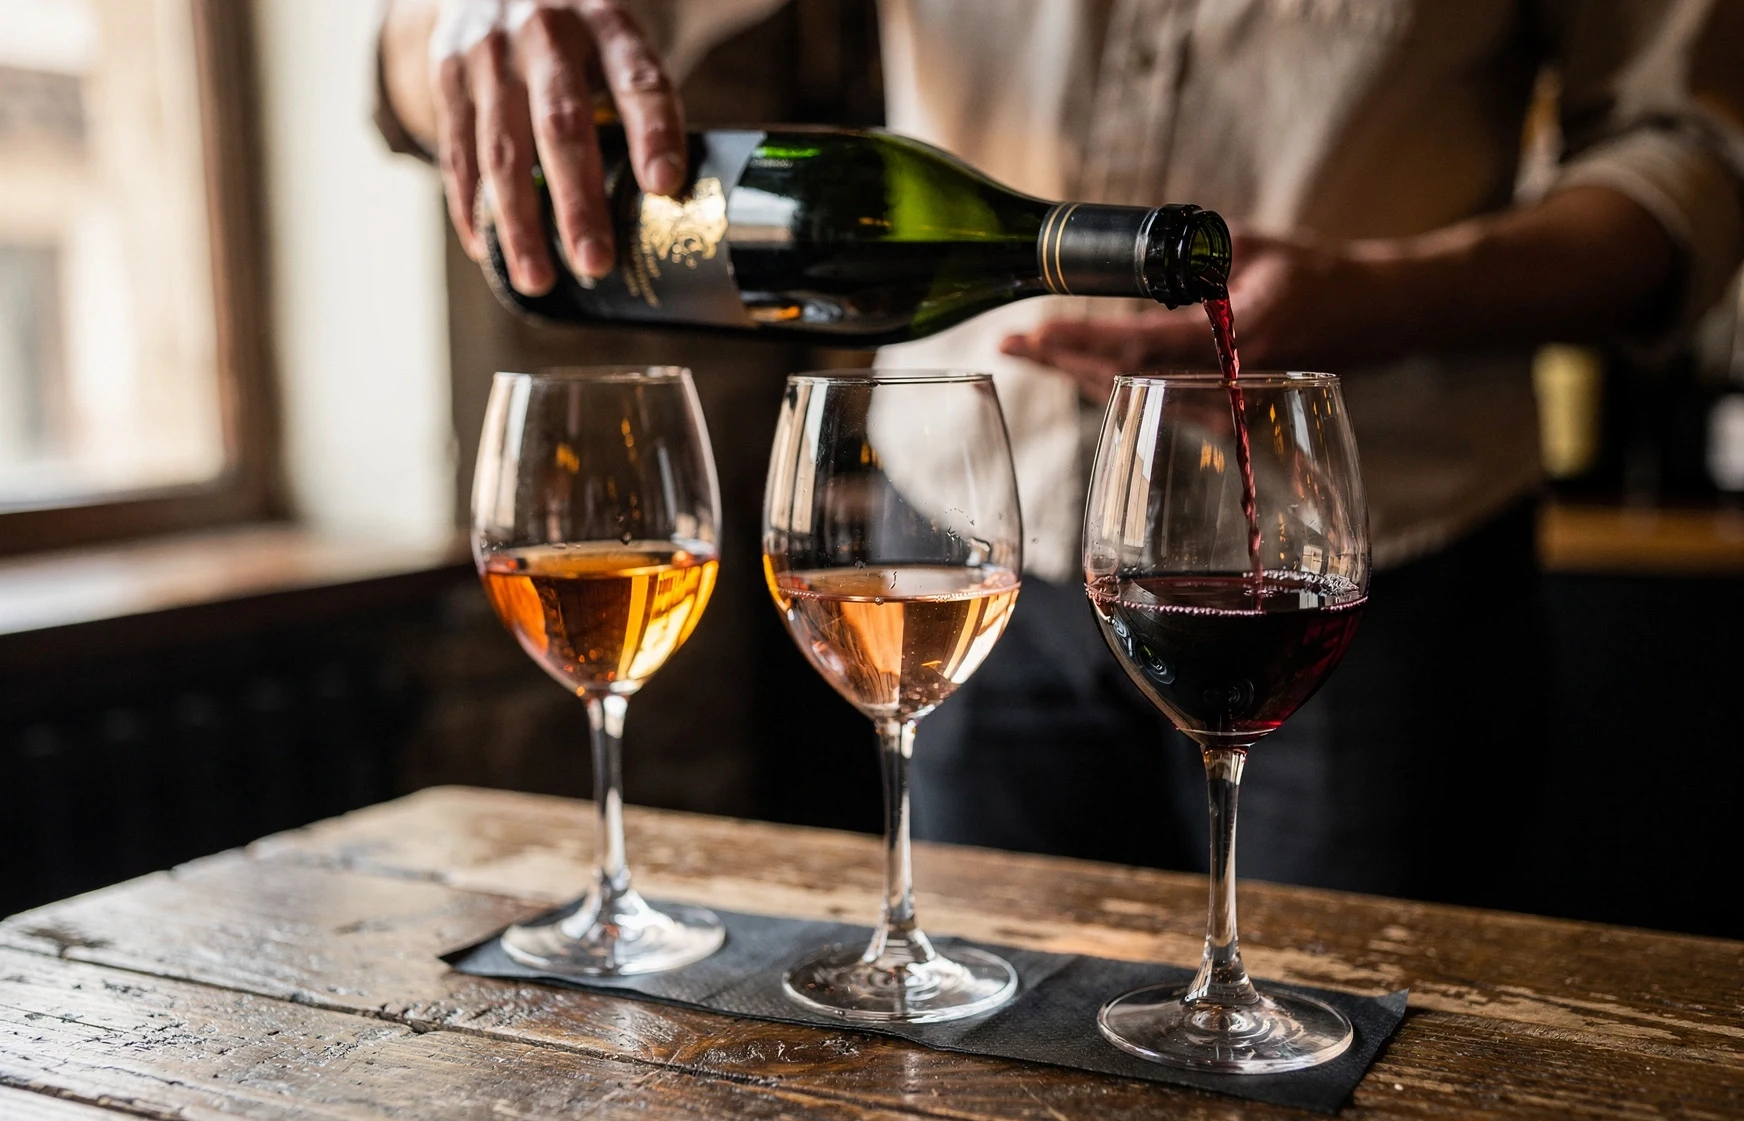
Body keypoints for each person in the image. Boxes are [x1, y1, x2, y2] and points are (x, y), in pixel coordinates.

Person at [377, 0, 1744, 907]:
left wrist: (1388, 296)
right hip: (959, 549)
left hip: (1361, 578)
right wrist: (464, 19)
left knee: (1331, 1083)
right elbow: (423, 67)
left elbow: (1691, 158)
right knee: (977, 1066)